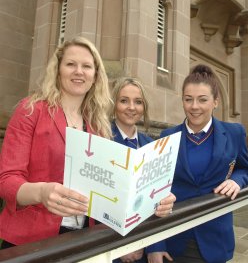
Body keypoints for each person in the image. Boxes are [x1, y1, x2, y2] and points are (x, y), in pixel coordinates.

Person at [0, 36, 113, 248]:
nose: (79, 71)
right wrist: (42, 193)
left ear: (95, 75)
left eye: (87, 66)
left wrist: (151, 198)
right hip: (30, 241)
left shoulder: (98, 125)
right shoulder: (31, 110)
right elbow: (6, 180)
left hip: (81, 238)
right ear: (58, 69)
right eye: (71, 64)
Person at [147, 64, 248, 263]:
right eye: (188, 99)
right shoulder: (167, 137)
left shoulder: (235, 133)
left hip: (216, 239)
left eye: (202, 100)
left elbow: (245, 167)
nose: (194, 106)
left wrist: (237, 180)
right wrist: (155, 246)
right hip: (174, 237)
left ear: (215, 102)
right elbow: (154, 189)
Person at [110, 77, 176, 263]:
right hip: (110, 248)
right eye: (124, 100)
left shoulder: (152, 146)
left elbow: (159, 199)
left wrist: (156, 247)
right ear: (114, 104)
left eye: (138, 102)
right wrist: (118, 247)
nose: (132, 107)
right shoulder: (101, 139)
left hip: (145, 246)